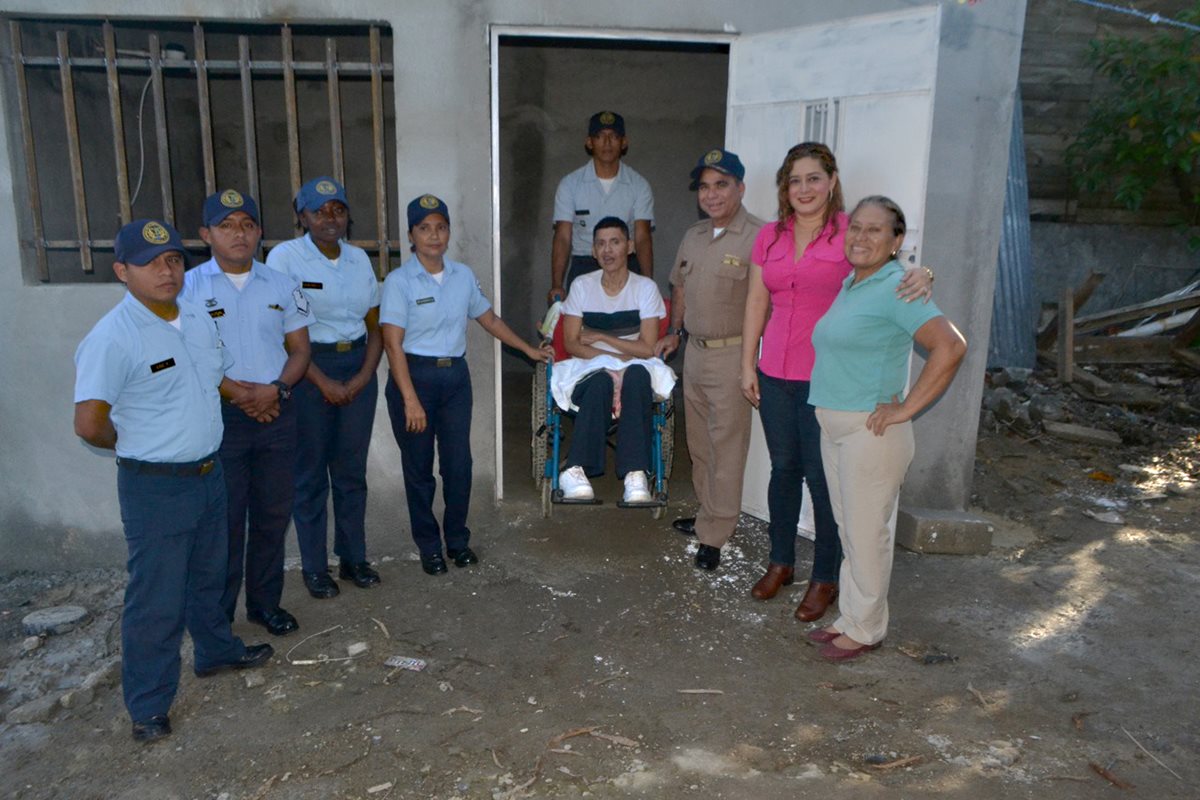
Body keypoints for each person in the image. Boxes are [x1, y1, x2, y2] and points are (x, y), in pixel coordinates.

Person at [74, 219, 273, 743]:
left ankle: (215, 651)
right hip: (156, 486)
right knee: (157, 599)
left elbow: (213, 376)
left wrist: (249, 395)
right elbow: (90, 425)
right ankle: (148, 705)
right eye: (151, 262)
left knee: (210, 575)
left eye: (174, 260)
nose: (167, 270)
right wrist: (143, 445)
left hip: (209, 473)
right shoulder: (112, 338)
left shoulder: (196, 315)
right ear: (122, 271)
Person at [740, 143, 932, 617]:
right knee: (783, 470)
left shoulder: (851, 232)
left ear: (831, 182)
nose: (804, 189)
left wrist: (924, 272)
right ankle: (781, 561)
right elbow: (755, 303)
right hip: (774, 372)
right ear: (784, 188)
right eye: (794, 180)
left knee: (824, 481)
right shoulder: (769, 236)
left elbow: (891, 269)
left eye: (813, 178)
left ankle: (826, 577)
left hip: (827, 379)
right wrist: (748, 362)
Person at [807, 196, 966, 661]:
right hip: (837, 425)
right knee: (850, 529)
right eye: (855, 227)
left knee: (867, 533)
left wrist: (905, 409)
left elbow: (951, 347)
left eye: (875, 230)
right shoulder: (854, 283)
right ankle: (853, 617)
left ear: (897, 242)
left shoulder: (898, 287)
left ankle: (868, 629)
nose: (861, 236)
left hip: (871, 433)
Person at [381, 195, 550, 575]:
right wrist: (409, 400)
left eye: (440, 227)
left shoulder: (462, 276)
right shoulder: (398, 282)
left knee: (459, 466)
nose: (434, 235)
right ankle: (429, 546)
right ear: (411, 235)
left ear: (449, 232)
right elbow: (392, 345)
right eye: (424, 228)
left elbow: (489, 319)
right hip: (415, 378)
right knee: (420, 469)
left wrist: (527, 348)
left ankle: (457, 540)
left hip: (455, 379)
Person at [181, 189, 312, 636]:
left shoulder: (280, 284)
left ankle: (264, 604)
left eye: (247, 225)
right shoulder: (188, 287)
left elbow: (299, 350)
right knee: (226, 521)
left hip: (277, 411)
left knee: (273, 515)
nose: (238, 234)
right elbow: (190, 356)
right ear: (206, 235)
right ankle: (218, 619)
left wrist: (275, 390)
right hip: (222, 418)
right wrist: (239, 395)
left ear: (259, 232)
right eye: (226, 225)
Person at [266, 177, 383, 599]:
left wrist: (363, 377)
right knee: (310, 474)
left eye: (337, 209)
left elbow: (375, 326)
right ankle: (316, 568)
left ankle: (353, 558)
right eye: (319, 211)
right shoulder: (285, 258)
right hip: (307, 368)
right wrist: (322, 381)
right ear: (302, 217)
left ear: (347, 215)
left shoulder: (358, 260)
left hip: (357, 366)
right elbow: (281, 329)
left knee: (351, 473)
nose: (329, 219)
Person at [654, 149, 762, 571]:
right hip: (695, 354)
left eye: (721, 185)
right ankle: (707, 516)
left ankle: (717, 533)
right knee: (699, 445)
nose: (712, 194)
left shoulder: (759, 236)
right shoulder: (694, 235)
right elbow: (679, 286)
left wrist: (752, 361)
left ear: (740, 188)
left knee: (727, 447)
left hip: (734, 354)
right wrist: (675, 332)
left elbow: (766, 302)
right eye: (704, 186)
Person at [556, 216, 670, 504]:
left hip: (636, 366)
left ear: (629, 247)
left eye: (615, 242)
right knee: (599, 382)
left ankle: (635, 473)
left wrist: (600, 337)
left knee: (637, 377)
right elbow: (571, 343)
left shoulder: (645, 288)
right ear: (593, 251)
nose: (608, 250)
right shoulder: (582, 286)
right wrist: (615, 359)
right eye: (601, 244)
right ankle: (575, 469)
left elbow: (647, 349)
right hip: (590, 366)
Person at [548, 110, 655, 303]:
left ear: (624, 142)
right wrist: (557, 285)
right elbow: (563, 237)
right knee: (579, 330)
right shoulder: (570, 184)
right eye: (600, 137)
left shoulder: (639, 185)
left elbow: (642, 237)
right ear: (589, 142)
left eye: (613, 137)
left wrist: (648, 284)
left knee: (629, 329)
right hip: (585, 264)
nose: (607, 143)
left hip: (626, 266)